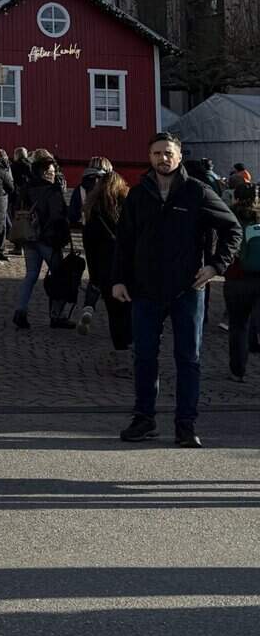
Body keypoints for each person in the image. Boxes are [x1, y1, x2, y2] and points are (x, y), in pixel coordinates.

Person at [113, 131, 240, 447]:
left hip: (188, 290)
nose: (163, 158)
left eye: (168, 152)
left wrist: (215, 266)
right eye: (157, 153)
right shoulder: (138, 195)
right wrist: (118, 279)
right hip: (144, 291)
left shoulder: (197, 192)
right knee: (144, 357)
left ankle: (185, 425)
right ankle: (144, 420)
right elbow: (124, 242)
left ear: (179, 156)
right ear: (149, 157)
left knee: (188, 359)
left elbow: (232, 229)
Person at [79, 166, 132, 372]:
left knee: (115, 315)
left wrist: (94, 277)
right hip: (129, 267)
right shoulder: (128, 207)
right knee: (130, 311)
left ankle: (121, 355)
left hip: (106, 269)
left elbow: (89, 247)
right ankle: (134, 348)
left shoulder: (93, 211)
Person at [12, 152, 70, 330]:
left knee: (30, 276)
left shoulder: (26, 188)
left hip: (29, 237)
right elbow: (57, 216)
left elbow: (16, 208)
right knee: (60, 276)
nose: (53, 175)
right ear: (44, 173)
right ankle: (56, 316)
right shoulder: (52, 190)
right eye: (51, 173)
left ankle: (20, 311)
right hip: (48, 240)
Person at [72, 156, 114, 334]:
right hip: (110, 236)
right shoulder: (111, 186)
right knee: (113, 274)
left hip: (88, 233)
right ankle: (117, 320)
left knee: (95, 274)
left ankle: (88, 307)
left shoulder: (81, 187)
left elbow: (72, 214)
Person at [223, 186, 260, 383]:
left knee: (238, 325)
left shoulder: (229, 216)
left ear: (236, 197)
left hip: (237, 278)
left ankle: (237, 370)